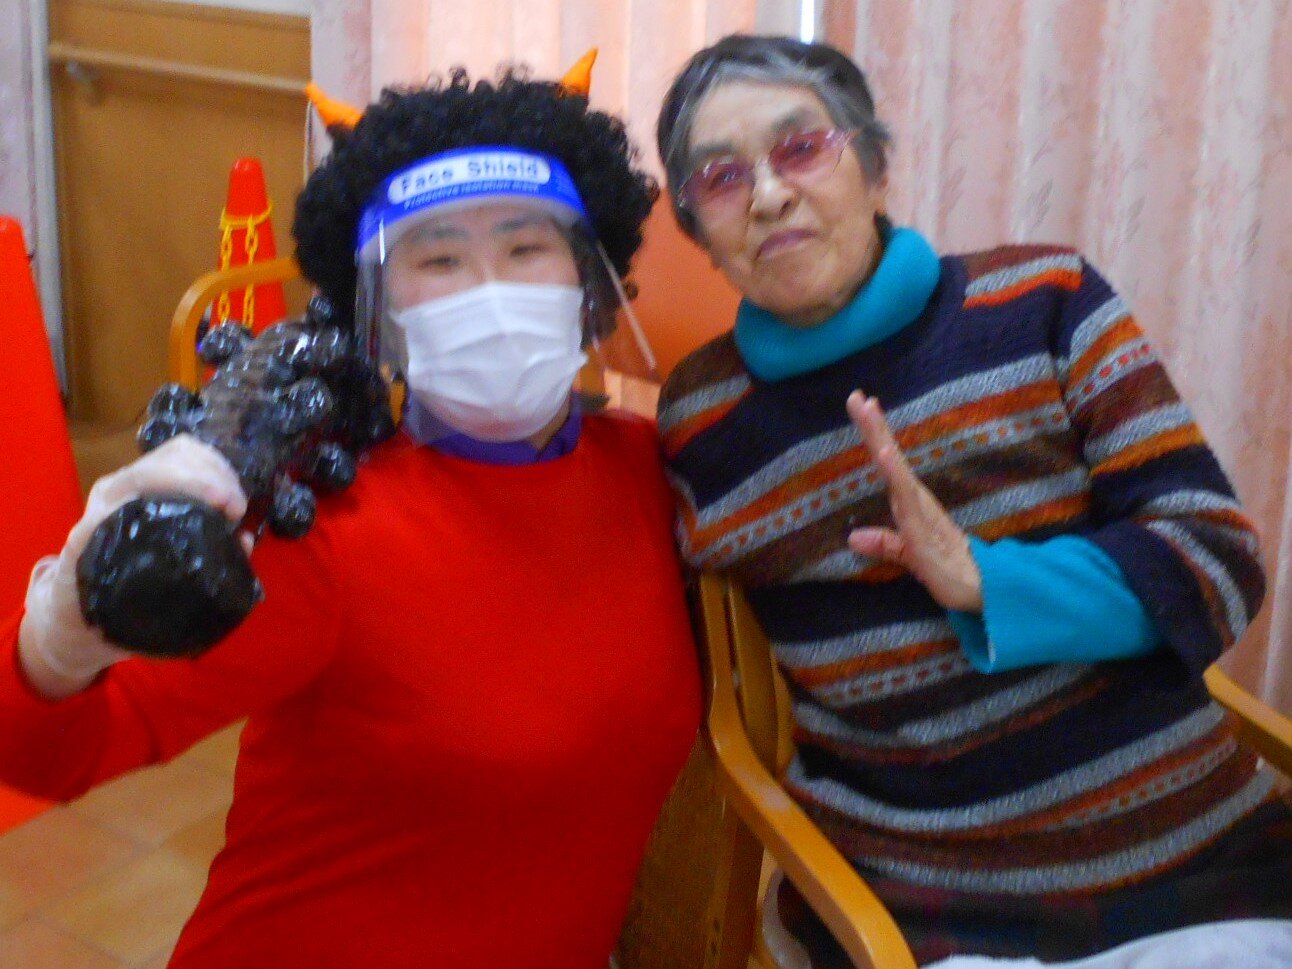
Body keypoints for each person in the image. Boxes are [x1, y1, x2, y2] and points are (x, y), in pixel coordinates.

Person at [0, 66, 701, 968]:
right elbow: (50, 754)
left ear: (589, 278)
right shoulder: (323, 528)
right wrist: (63, 629)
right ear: (382, 310)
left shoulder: (647, 470)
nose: (490, 290)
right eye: (438, 259)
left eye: (527, 247)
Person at [653, 34, 1292, 967]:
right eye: (721, 177)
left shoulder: (1044, 300)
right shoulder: (700, 419)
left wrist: (988, 582)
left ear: (873, 166)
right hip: (926, 913)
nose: (769, 194)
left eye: (801, 148)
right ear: (698, 231)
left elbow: (1219, 558)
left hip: (1197, 870)